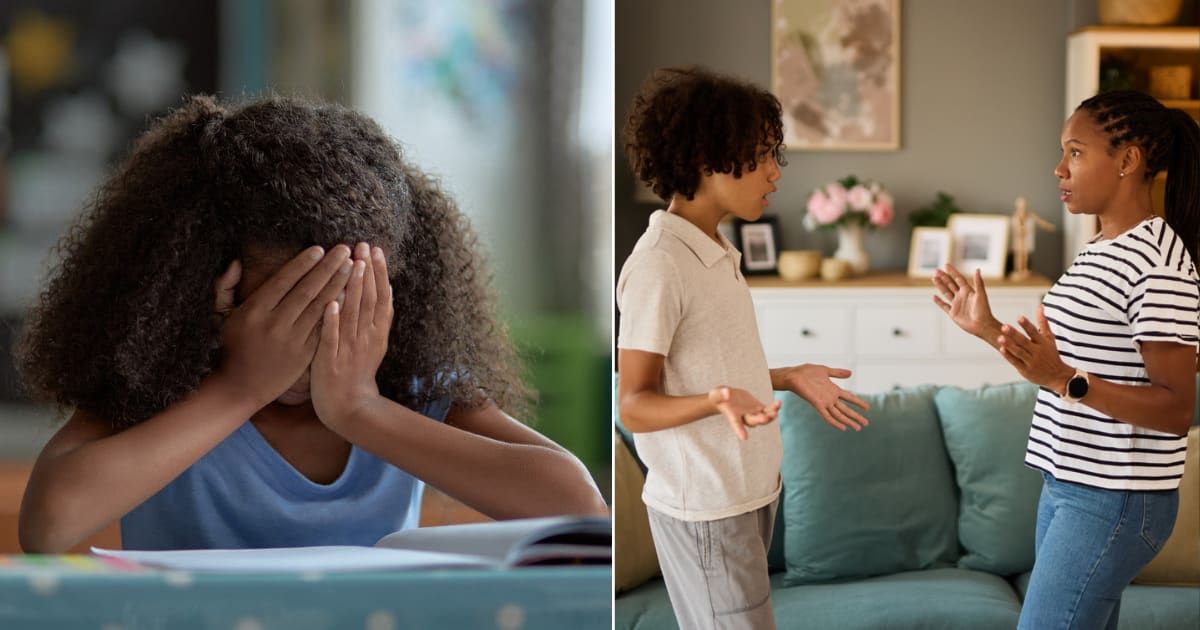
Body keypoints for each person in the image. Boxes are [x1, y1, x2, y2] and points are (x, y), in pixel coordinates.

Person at [16, 95, 607, 553]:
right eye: (283, 314)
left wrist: (360, 410)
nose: (309, 351)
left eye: (342, 316)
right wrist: (239, 387)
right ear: (209, 289)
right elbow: (47, 526)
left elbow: (583, 511)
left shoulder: (411, 385)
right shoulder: (159, 385)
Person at [933, 89, 1199, 629]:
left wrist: (1064, 380)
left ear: (1128, 161)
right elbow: (1060, 365)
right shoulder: (1101, 248)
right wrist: (988, 331)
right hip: (1068, 482)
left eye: (1075, 152)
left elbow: (1176, 409)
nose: (1059, 168)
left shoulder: (1160, 265)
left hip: (1115, 497)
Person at [616, 66, 870, 630]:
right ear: (708, 159)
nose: (775, 174)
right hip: (708, 508)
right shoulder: (660, 264)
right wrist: (713, 402)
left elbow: (712, 366)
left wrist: (786, 374)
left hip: (748, 494)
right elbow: (633, 403)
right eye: (761, 156)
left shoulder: (715, 249)